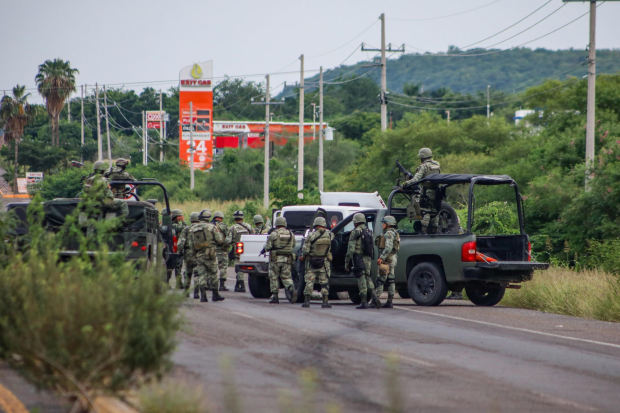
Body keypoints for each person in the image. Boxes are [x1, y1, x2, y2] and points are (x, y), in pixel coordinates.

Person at [345, 213, 381, 309]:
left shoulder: (355, 232)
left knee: (361, 279)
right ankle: (374, 296)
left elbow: (351, 249)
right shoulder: (369, 231)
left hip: (358, 258)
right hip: (367, 258)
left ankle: (364, 301)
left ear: (355, 222)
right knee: (368, 277)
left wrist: (347, 262)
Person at [188, 209, 225, 303]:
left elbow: (191, 243)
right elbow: (220, 240)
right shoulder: (212, 227)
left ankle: (203, 296)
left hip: (199, 254)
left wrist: (194, 253)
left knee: (201, 274)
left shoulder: (193, 228)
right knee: (213, 274)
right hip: (211, 254)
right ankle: (215, 295)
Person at [405, 148, 441, 234]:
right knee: (435, 212)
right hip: (437, 192)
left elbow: (416, 179)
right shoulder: (437, 164)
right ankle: (434, 233)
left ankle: (423, 233)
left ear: (422, 157)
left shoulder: (424, 166)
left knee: (426, 211)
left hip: (427, 192)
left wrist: (406, 183)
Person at [300, 217, 334, 309]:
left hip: (312, 261)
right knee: (324, 282)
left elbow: (305, 250)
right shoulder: (330, 235)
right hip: (324, 262)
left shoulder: (311, 235)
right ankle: (325, 302)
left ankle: (307, 301)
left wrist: (303, 257)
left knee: (309, 281)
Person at [262, 216, 297, 304]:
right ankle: (292, 288)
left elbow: (268, 246)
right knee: (286, 277)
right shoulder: (290, 233)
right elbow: (293, 245)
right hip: (287, 259)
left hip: (275, 259)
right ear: (285, 224)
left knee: (274, 277)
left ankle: (275, 297)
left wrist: (263, 250)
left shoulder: (274, 234)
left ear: (276, 224)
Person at [374, 215, 401, 308]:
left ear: (388, 224)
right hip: (392, 258)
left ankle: (375, 300)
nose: (382, 225)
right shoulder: (394, 233)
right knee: (391, 280)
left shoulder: (389, 233)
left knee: (380, 279)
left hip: (387, 259)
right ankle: (390, 301)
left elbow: (388, 247)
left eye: (384, 223)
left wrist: (381, 258)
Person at [226, 210, 253, 292]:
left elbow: (228, 240)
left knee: (239, 266)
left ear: (234, 218)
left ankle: (241, 284)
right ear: (242, 217)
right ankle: (240, 284)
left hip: (237, 250)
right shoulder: (249, 227)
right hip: (248, 250)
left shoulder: (232, 228)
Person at [177, 212, 200, 298]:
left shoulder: (186, 229)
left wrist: (178, 252)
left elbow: (181, 242)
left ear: (191, 219)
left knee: (188, 273)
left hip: (188, 253)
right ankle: (196, 292)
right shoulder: (201, 229)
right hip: (199, 253)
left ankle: (186, 292)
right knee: (197, 273)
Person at [213, 211, 230, 291]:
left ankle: (210, 284)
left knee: (212, 267)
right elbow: (228, 237)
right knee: (223, 267)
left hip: (211, 250)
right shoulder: (222, 226)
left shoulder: (210, 225)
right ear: (221, 218)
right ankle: (222, 285)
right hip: (221, 250)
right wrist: (226, 247)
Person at [171, 209, 187, 289]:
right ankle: (179, 283)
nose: (180, 217)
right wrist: (183, 221)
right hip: (176, 248)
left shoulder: (174, 224)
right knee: (177, 266)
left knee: (178, 266)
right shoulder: (174, 225)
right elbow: (185, 229)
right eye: (179, 216)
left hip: (176, 247)